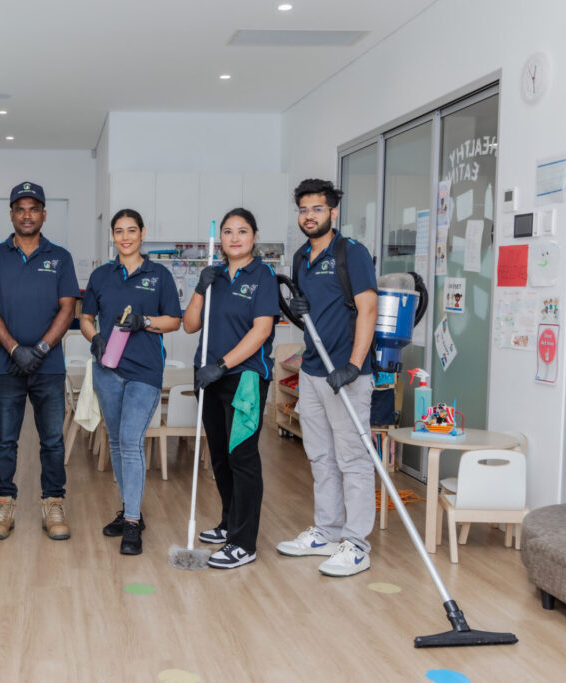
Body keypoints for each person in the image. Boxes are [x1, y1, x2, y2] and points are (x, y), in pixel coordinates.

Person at [276, 178, 378, 577]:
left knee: (352, 458)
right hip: (313, 369)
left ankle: (356, 544)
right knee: (320, 455)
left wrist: (353, 364)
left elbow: (367, 310)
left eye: (317, 209)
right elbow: (305, 314)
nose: (309, 216)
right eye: (303, 209)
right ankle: (328, 532)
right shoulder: (301, 257)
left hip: (346, 372)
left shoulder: (351, 253)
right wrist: (296, 308)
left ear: (333, 212)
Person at [0, 181, 80, 540]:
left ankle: (53, 503)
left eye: (34, 208)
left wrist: (42, 349)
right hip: (6, 368)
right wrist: (15, 349)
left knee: (52, 441)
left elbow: (69, 308)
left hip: (49, 369)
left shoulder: (60, 257)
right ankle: (4, 503)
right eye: (20, 209)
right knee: (5, 440)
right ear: (12, 214)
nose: (27, 214)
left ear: (43, 214)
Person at [81, 209, 181, 555]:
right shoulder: (101, 275)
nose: (125, 237)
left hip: (144, 371)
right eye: (119, 231)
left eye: (131, 230)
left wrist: (145, 321)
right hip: (107, 369)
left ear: (142, 233)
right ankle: (128, 510)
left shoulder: (159, 275)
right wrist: (94, 337)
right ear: (112, 236)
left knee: (130, 440)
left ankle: (133, 522)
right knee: (115, 443)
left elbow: (174, 321)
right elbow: (85, 317)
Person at [183, 209, 279, 569]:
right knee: (220, 456)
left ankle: (243, 543)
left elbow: (261, 331)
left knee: (242, 457)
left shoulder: (263, 275)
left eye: (242, 231)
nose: (234, 237)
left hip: (244, 379)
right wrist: (199, 287)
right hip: (207, 377)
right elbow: (190, 326)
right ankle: (228, 524)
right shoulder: (214, 276)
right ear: (219, 239)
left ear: (254, 236)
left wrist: (221, 365)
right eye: (227, 232)